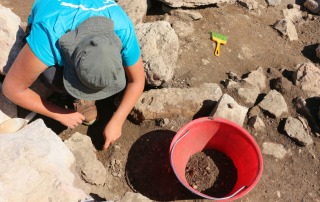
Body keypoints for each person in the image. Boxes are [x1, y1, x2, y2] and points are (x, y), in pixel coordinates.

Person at [2, 0, 145, 150]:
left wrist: (117, 121)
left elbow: (137, 80)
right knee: (52, 77)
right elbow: (12, 88)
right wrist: (59, 113)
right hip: (51, 17)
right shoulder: (50, 35)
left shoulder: (122, 28)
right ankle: (74, 91)